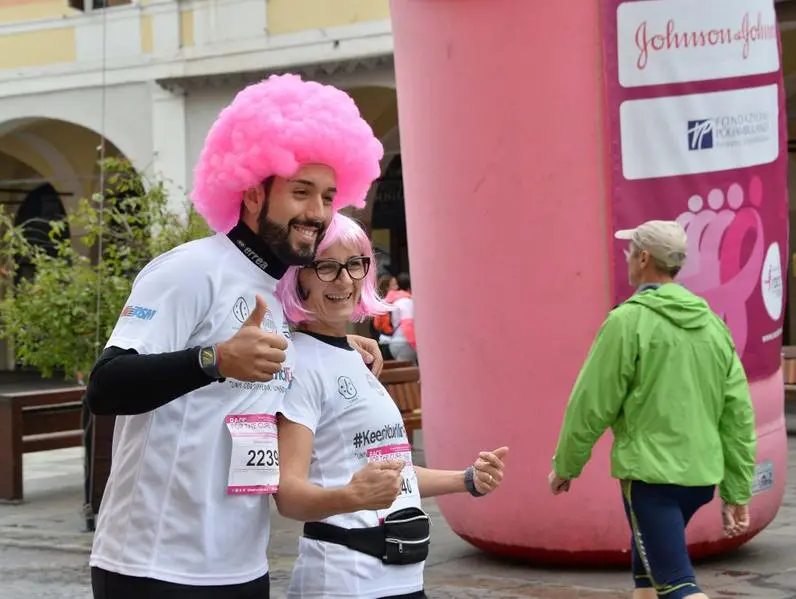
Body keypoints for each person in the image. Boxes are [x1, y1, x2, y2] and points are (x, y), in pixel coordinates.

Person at [84, 74, 386, 599]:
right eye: (300, 192)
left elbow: (273, 356)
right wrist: (213, 360)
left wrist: (337, 345)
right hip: (153, 567)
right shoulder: (189, 270)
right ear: (251, 192)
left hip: (243, 566)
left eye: (328, 197)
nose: (317, 212)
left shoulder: (277, 291)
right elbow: (106, 387)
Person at [275, 213, 509, 599]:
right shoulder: (300, 365)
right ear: (299, 276)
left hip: (401, 578)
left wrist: (466, 479)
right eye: (327, 267)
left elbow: (390, 470)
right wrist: (349, 498)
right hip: (345, 580)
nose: (345, 279)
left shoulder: (356, 356)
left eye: (354, 264)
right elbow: (288, 494)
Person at [548, 220, 756, 599]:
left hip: (652, 479)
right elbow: (738, 415)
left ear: (643, 258)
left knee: (677, 585)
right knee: (647, 579)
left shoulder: (627, 321)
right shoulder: (713, 325)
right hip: (700, 479)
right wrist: (737, 490)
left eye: (630, 253)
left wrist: (566, 465)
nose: (627, 259)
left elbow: (591, 403)